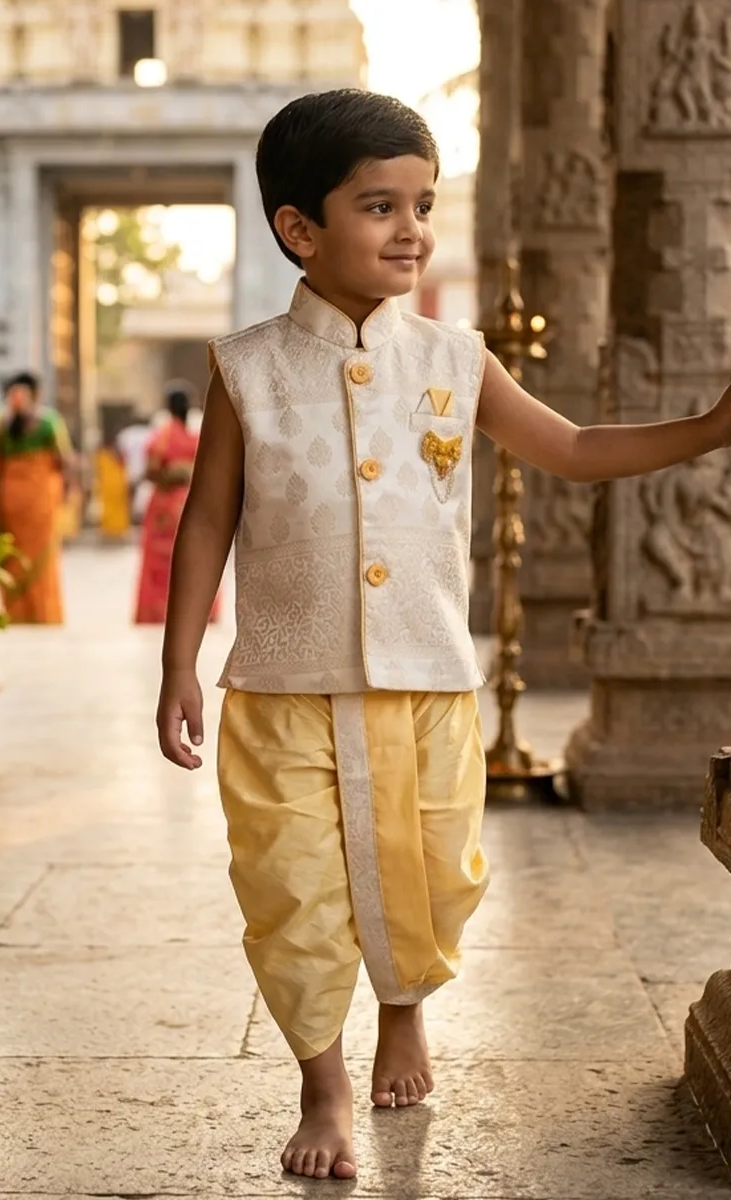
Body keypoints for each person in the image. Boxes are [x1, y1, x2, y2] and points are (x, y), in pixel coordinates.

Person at [154, 88, 731, 1182]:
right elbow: (207, 522)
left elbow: (566, 448)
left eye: (420, 202)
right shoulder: (246, 367)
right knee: (289, 883)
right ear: (299, 229)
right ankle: (322, 1086)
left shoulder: (455, 358)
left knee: (426, 867)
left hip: (423, 672)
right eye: (378, 205)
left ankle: (403, 1008)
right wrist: (179, 662)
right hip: (281, 678)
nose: (411, 227)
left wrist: (704, 430)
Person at [0, 371, 72, 624]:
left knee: (13, 556)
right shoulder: (49, 421)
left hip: (9, 501)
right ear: (36, 394)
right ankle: (44, 614)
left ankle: (15, 614)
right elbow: (64, 460)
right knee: (42, 559)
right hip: (41, 502)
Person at [134, 382, 220, 624]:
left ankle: (159, 611)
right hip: (193, 501)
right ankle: (200, 611)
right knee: (195, 557)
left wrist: (171, 474)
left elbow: (151, 471)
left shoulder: (162, 436)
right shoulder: (199, 436)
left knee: (161, 560)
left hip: (165, 503)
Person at [95, 434, 131, 540]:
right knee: (109, 508)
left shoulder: (108, 454)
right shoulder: (104, 455)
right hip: (109, 486)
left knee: (115, 508)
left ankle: (116, 530)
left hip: (114, 485)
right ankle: (111, 529)